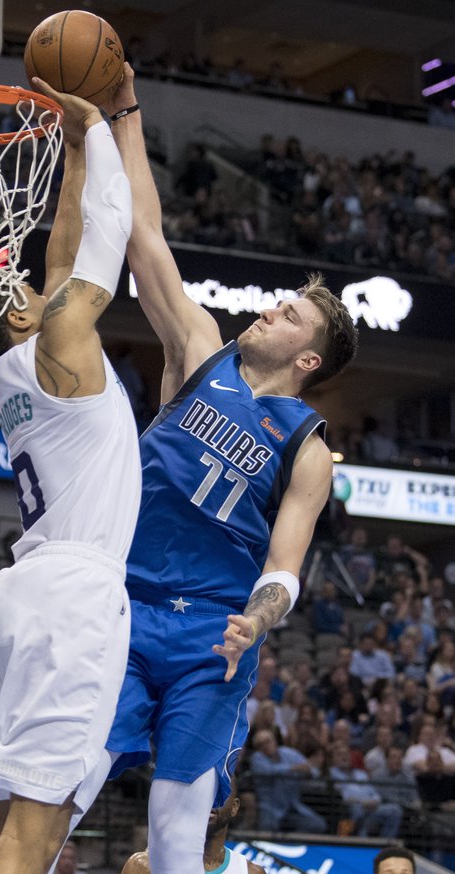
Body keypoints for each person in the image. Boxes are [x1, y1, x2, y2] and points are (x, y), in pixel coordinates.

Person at [57, 62, 358, 874]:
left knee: (179, 839)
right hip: (120, 608)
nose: (270, 308)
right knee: (56, 796)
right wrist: (126, 115)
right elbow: (145, 240)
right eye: (276, 301)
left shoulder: (308, 447)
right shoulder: (200, 352)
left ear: (309, 355)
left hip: (213, 635)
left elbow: (286, 569)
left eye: (287, 312)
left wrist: (257, 622)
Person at [0, 81, 140, 874]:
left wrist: (64, 149)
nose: (39, 282)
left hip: (23, 594)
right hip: (69, 594)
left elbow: (62, 253)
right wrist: (97, 130)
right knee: (34, 834)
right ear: (28, 315)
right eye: (27, 289)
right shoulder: (58, 341)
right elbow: (109, 229)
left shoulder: (18, 365)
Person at [120, 774, 264, 874]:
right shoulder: (143, 866)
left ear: (234, 807)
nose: (209, 800)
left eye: (219, 792)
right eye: (203, 791)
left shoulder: (250, 872)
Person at [249, 729, 327, 834]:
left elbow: (313, 770)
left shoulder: (289, 753)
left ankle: (291, 844)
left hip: (293, 807)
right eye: (260, 744)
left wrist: (309, 772)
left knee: (318, 824)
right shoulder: (257, 758)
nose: (265, 746)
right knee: (267, 829)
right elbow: (269, 770)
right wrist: (294, 768)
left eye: (268, 741)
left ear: (275, 741)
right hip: (270, 808)